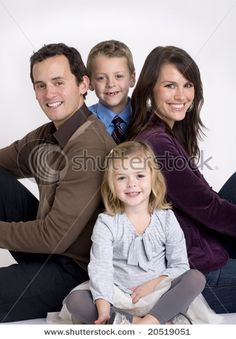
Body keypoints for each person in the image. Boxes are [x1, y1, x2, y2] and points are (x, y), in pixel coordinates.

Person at [0, 43, 115, 322]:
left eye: (58, 82)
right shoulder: (49, 133)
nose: (49, 94)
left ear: (83, 84)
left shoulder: (90, 145)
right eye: (41, 85)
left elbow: (54, 237)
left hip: (76, 270)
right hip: (50, 251)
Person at [125, 45, 236, 314]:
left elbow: (204, 200)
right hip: (195, 274)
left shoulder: (161, 131)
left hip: (199, 244)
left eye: (187, 85)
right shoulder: (156, 143)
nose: (181, 95)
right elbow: (209, 208)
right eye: (170, 85)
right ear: (151, 88)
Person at [64, 141, 205, 324]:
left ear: (153, 179)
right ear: (111, 184)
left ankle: (150, 321)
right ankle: (138, 322)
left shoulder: (167, 219)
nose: (131, 184)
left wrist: (153, 284)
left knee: (195, 279)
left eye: (139, 175)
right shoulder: (107, 223)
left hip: (158, 294)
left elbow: (180, 265)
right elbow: (101, 268)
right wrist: (104, 308)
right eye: (122, 178)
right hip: (119, 296)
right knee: (75, 301)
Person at [87, 40, 136, 143]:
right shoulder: (83, 120)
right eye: (101, 78)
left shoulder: (145, 117)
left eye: (118, 76)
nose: (110, 84)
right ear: (90, 83)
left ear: (132, 79)